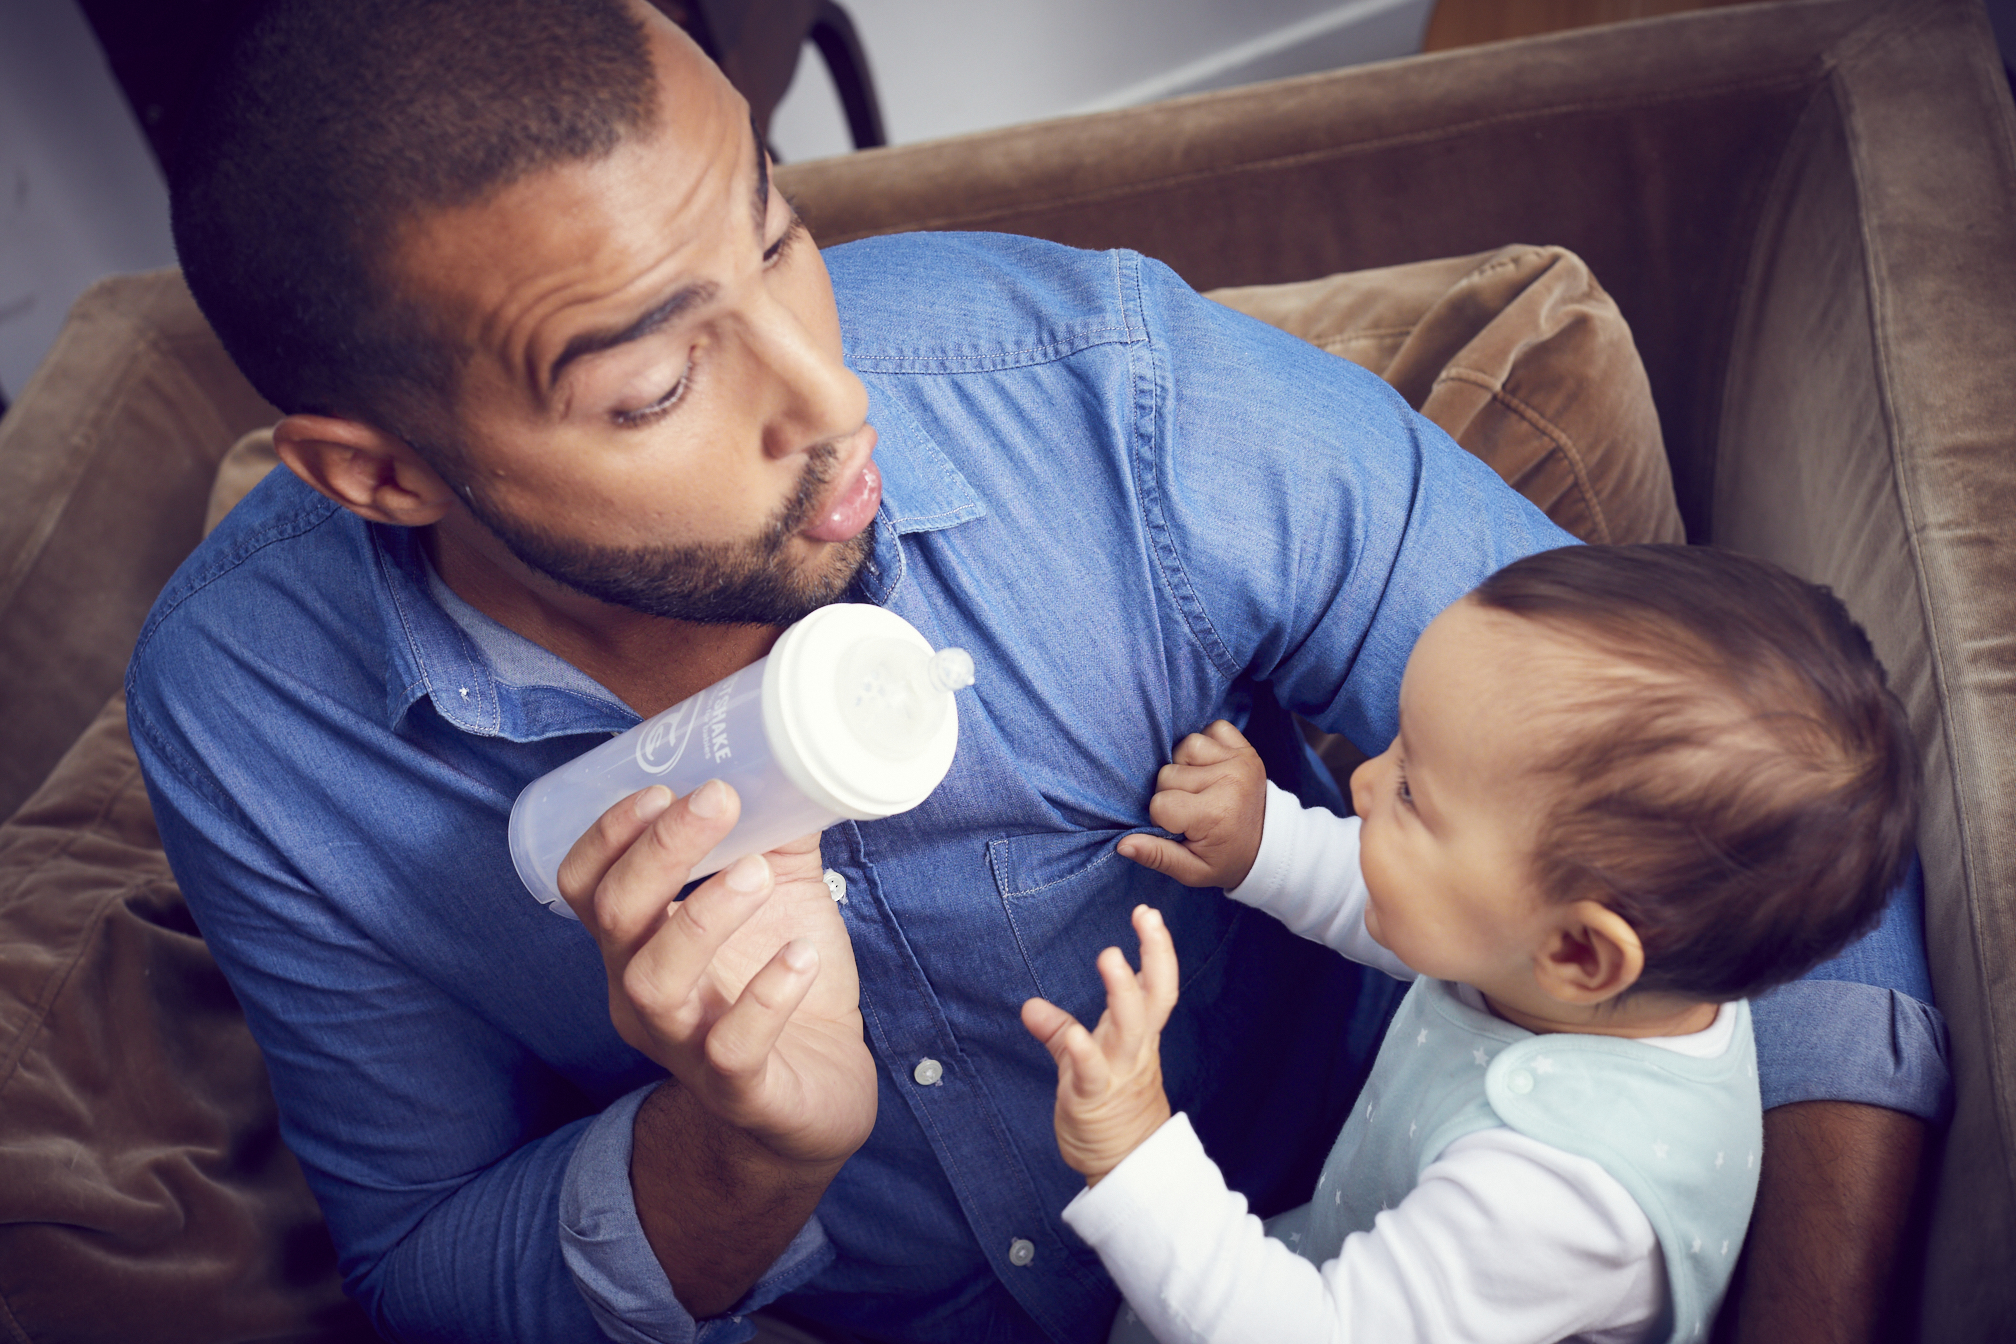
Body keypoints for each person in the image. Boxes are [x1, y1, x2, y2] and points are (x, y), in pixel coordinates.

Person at [130, 1, 1945, 1341]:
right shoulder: (252, 717)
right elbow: (427, 1257)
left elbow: (1742, 832)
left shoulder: (1101, 397)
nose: (833, 400)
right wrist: (736, 1155)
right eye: (657, 384)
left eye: (777, 234)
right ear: (375, 472)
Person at [1025, 545, 1918, 1344]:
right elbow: (1416, 910)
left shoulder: (1554, 1198)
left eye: (1414, 793)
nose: (1365, 779)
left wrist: (1135, 1150)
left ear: (1578, 954)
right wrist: (1270, 843)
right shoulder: (1593, 968)